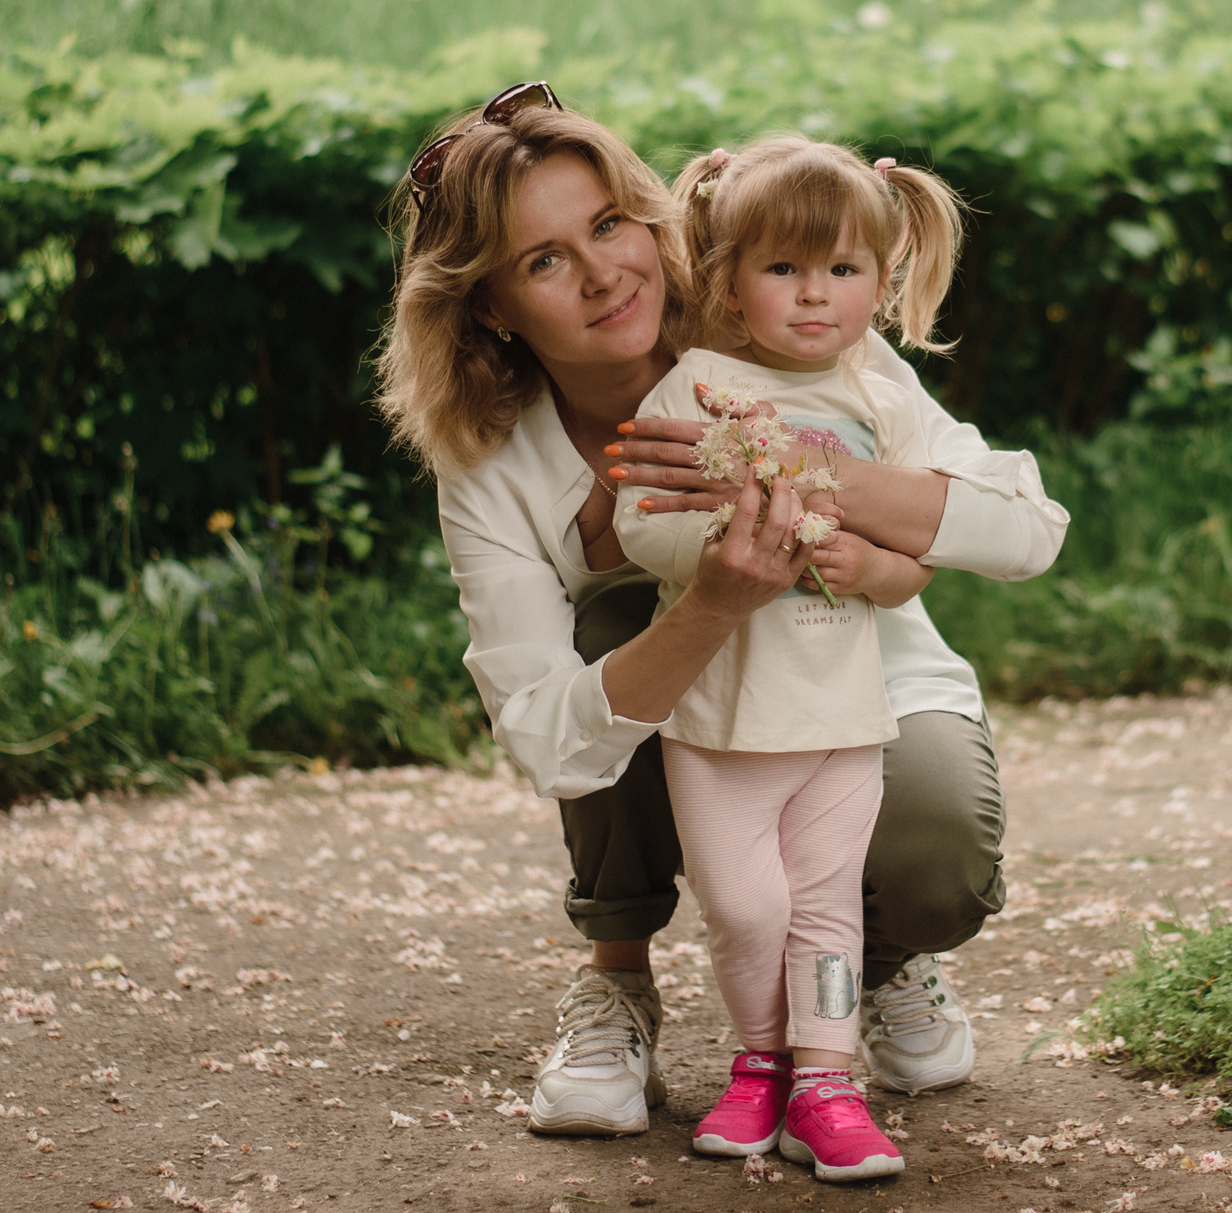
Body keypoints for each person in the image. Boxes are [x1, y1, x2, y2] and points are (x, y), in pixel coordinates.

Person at [374, 85, 1068, 1144]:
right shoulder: (492, 456)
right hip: (695, 717)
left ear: (651, 219)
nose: (605, 272)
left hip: (855, 679)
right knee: (612, 617)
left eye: (609, 223)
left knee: (940, 855)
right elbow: (549, 736)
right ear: (492, 305)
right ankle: (616, 977)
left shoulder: (776, 321)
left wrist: (821, 476)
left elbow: (1024, 527)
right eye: (546, 258)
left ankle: (867, 959)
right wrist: (711, 598)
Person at [610, 136, 1009, 1182]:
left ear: (881, 281)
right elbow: (638, 525)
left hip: (842, 709)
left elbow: (925, 542)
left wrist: (874, 560)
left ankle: (823, 1083)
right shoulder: (697, 386)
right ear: (732, 279)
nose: (814, 295)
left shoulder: (882, 396)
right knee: (748, 902)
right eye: (783, 268)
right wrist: (728, 535)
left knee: (826, 905)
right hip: (722, 712)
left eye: (842, 269)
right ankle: (758, 1059)